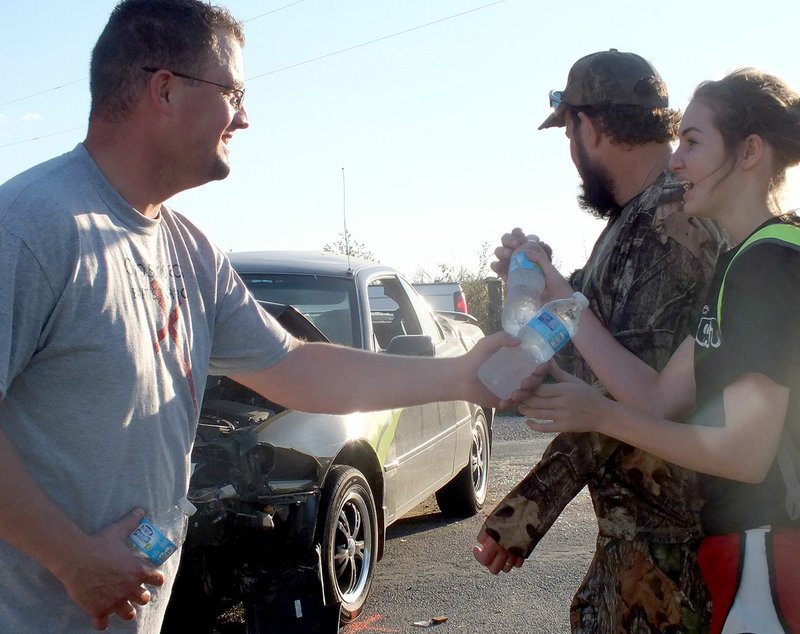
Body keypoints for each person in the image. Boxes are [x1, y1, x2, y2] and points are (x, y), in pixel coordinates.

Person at [0, 2, 519, 632]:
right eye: (232, 92)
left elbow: (293, 367)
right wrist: (74, 559)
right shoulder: (30, 227)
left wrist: (462, 376)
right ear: (164, 89)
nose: (245, 117)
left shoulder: (189, 250)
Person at [519, 68, 800, 634]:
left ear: (750, 152)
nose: (675, 161)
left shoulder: (770, 268)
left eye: (693, 142)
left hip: (771, 554)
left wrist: (602, 415)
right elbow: (656, 397)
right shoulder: (743, 262)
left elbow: (745, 454)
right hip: (746, 554)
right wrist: (557, 290)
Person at [473, 50, 726, 632]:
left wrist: (524, 514)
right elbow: (580, 347)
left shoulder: (667, 223)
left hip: (667, 554)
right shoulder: (638, 220)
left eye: (568, 133)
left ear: (591, 127)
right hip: (645, 546)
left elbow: (624, 396)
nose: (571, 152)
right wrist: (529, 285)